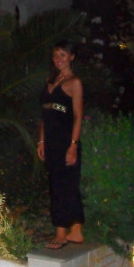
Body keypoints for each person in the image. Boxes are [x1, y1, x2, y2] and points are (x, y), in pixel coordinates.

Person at [37, 41, 84, 249]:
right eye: (56, 55)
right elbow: (45, 115)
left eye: (63, 55)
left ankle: (62, 233)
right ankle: (75, 231)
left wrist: (73, 145)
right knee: (60, 185)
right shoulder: (50, 81)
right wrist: (41, 140)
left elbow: (78, 116)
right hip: (51, 141)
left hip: (66, 141)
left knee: (65, 186)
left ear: (71, 57)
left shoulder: (74, 82)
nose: (59, 59)